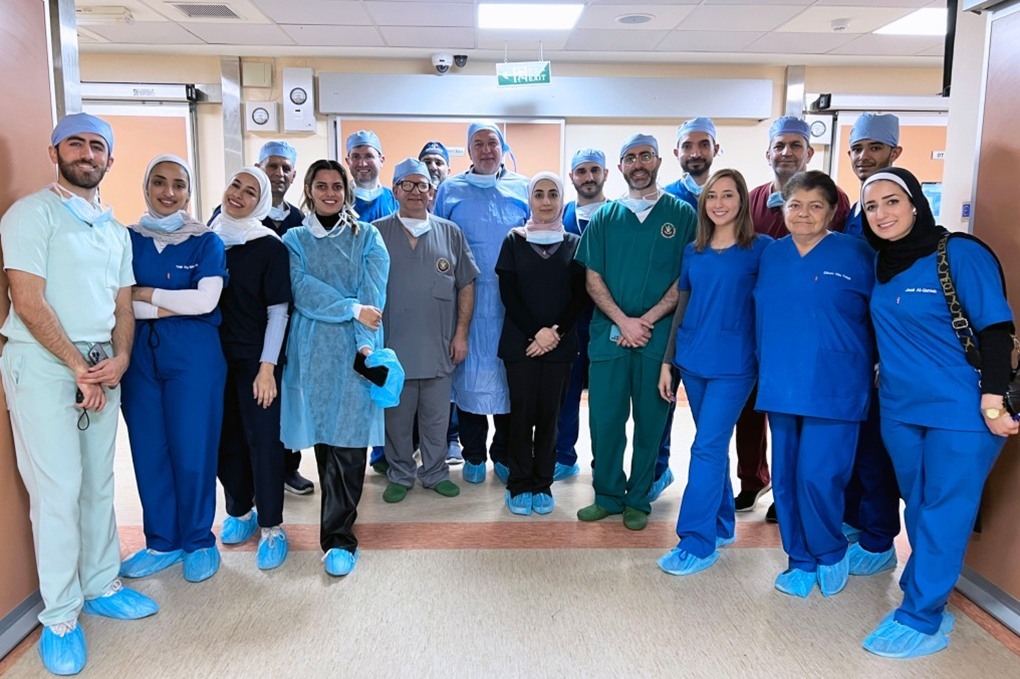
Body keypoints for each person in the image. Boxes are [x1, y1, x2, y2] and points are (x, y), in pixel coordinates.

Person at [0, 113, 157, 676]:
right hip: (44, 364)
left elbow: (122, 305)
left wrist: (120, 358)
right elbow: (27, 299)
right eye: (76, 144)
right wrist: (76, 367)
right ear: (55, 152)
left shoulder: (113, 229)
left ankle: (101, 583)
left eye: (97, 146)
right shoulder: (31, 214)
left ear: (110, 159)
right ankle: (61, 615)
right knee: (58, 489)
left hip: (100, 362)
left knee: (98, 482)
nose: (87, 154)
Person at [861, 167, 1018, 658]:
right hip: (900, 408)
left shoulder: (959, 253)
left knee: (946, 508)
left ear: (915, 203)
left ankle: (922, 615)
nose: (882, 213)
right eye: (871, 206)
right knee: (918, 502)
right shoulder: (882, 262)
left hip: (962, 408)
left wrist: (994, 398)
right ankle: (925, 582)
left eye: (892, 201)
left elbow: (996, 329)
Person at [753, 170, 874, 598]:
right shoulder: (771, 254)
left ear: (833, 211)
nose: (803, 214)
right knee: (785, 478)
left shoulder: (857, 254)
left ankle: (830, 550)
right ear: (782, 208)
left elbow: (881, 316)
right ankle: (800, 559)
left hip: (836, 383)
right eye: (795, 205)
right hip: (781, 381)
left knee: (820, 476)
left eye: (815, 206)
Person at [574, 133, 696, 531]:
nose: (638, 164)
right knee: (605, 420)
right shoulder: (604, 217)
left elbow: (684, 278)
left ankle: (638, 499)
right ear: (620, 167)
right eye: (630, 158)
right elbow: (592, 278)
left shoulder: (682, 215)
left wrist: (646, 320)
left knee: (651, 422)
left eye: (646, 156)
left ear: (659, 161)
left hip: (657, 338)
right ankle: (607, 495)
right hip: (609, 335)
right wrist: (623, 321)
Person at [119, 154, 228, 581]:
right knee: (149, 449)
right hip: (137, 357)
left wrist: (145, 296)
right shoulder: (125, 238)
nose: (168, 192)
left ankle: (198, 540)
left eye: (179, 184)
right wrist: (170, 304)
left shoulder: (206, 240)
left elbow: (206, 301)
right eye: (159, 182)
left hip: (194, 358)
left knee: (193, 447)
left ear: (189, 192)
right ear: (146, 187)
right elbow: (115, 301)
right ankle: (162, 541)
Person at [657, 168, 771, 575]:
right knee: (713, 446)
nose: (719, 203)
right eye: (712, 196)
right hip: (692, 360)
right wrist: (668, 361)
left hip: (735, 365)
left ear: (742, 201)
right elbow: (683, 307)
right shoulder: (694, 250)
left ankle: (696, 541)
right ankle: (721, 525)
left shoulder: (762, 249)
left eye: (728, 195)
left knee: (705, 447)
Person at [280, 159, 390, 577]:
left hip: (355, 349)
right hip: (311, 351)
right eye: (321, 186)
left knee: (350, 444)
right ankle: (337, 522)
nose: (330, 193)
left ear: (347, 191)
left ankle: (339, 539)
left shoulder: (367, 236)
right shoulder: (294, 239)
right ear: (309, 189)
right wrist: (350, 308)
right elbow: (302, 289)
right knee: (325, 442)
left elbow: (372, 295)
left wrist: (365, 345)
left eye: (337, 186)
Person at [741, 116, 853, 521]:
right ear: (768, 152)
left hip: (814, 331)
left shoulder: (834, 197)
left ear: (809, 152)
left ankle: (793, 495)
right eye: (780, 145)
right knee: (752, 410)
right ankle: (753, 479)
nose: (786, 152)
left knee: (799, 421)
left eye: (795, 145)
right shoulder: (752, 200)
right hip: (762, 323)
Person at [211, 140, 313, 495]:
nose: (279, 173)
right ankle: (243, 493)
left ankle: (287, 469)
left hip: (285, 328)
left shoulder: (299, 221)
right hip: (238, 336)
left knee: (280, 410)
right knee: (241, 421)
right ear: (260, 167)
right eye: (272, 166)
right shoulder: (222, 222)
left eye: (286, 168)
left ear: (294, 175)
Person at [374, 158, 478, 502]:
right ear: (395, 190)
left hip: (438, 345)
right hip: (392, 347)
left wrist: (461, 333)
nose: (415, 191)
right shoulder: (376, 233)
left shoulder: (450, 233)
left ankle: (435, 473)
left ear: (432, 191)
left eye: (422, 185)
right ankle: (400, 474)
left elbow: (466, 284)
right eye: (407, 184)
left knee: (436, 419)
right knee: (396, 420)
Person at [434, 121, 529, 484]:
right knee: (468, 375)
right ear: (469, 150)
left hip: (511, 301)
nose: (487, 150)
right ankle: (473, 453)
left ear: (503, 148)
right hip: (466, 299)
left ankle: (502, 453)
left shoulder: (523, 187)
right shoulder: (450, 189)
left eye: (493, 143)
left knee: (508, 377)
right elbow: (438, 241)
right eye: (479, 144)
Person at [212, 167, 291, 572]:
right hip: (212, 360)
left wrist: (267, 368)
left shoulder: (269, 246)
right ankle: (239, 510)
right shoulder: (208, 239)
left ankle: (272, 526)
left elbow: (279, 312)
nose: (238, 195)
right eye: (235, 186)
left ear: (260, 202)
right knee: (225, 439)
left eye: (249, 192)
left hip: (257, 360)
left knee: (263, 441)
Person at [496, 172, 588, 515]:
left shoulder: (574, 243)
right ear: (530, 200)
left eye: (552, 194)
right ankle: (519, 484)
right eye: (539, 194)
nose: (546, 201)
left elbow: (579, 297)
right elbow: (509, 294)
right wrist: (537, 332)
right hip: (520, 344)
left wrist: (554, 334)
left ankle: (542, 484)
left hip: (560, 347)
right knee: (521, 416)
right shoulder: (514, 240)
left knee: (551, 417)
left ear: (562, 200)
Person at [841, 113, 904, 576]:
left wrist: (883, 356)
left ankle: (879, 537)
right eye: (858, 149)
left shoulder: (899, 220)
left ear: (894, 153)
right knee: (853, 442)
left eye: (875, 148)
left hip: (883, 356)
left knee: (875, 452)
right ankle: (853, 522)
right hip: (852, 350)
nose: (865, 157)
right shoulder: (854, 211)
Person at [553, 148, 607, 481]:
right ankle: (563, 455)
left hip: (606, 320)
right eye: (581, 171)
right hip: (570, 321)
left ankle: (604, 460)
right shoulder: (561, 216)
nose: (588, 177)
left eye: (594, 170)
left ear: (605, 174)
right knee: (567, 392)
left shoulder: (618, 216)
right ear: (572, 176)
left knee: (605, 397)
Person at [417, 140, 463, 464]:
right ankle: (415, 442)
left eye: (438, 162)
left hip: (449, 305)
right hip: (414, 312)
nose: (433, 167)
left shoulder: (454, 209)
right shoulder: (405, 212)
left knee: (450, 374)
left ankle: (451, 438)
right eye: (427, 161)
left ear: (449, 169)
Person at [346, 129, 398, 223]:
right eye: (356, 157)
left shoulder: (395, 200)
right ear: (348, 161)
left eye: (369, 156)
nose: (362, 163)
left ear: (381, 160)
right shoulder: (340, 201)